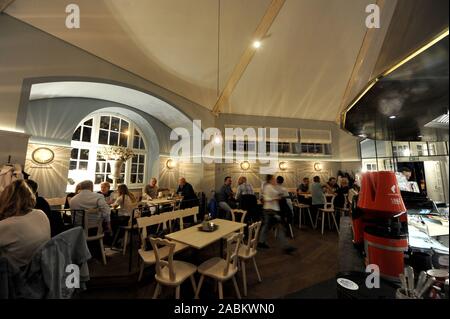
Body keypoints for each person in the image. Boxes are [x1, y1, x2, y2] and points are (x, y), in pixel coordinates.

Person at [0, 180, 50, 268]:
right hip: (41, 269)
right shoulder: (40, 213)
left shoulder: (6, 225)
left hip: (15, 275)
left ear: (5, 198)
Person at [258, 175, 296, 255]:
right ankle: (286, 246)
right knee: (279, 227)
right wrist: (277, 197)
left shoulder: (271, 186)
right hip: (270, 211)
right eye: (273, 179)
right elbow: (269, 197)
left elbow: (278, 194)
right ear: (270, 180)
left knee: (267, 227)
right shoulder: (268, 187)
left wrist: (280, 195)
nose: (275, 180)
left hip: (271, 210)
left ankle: (261, 242)